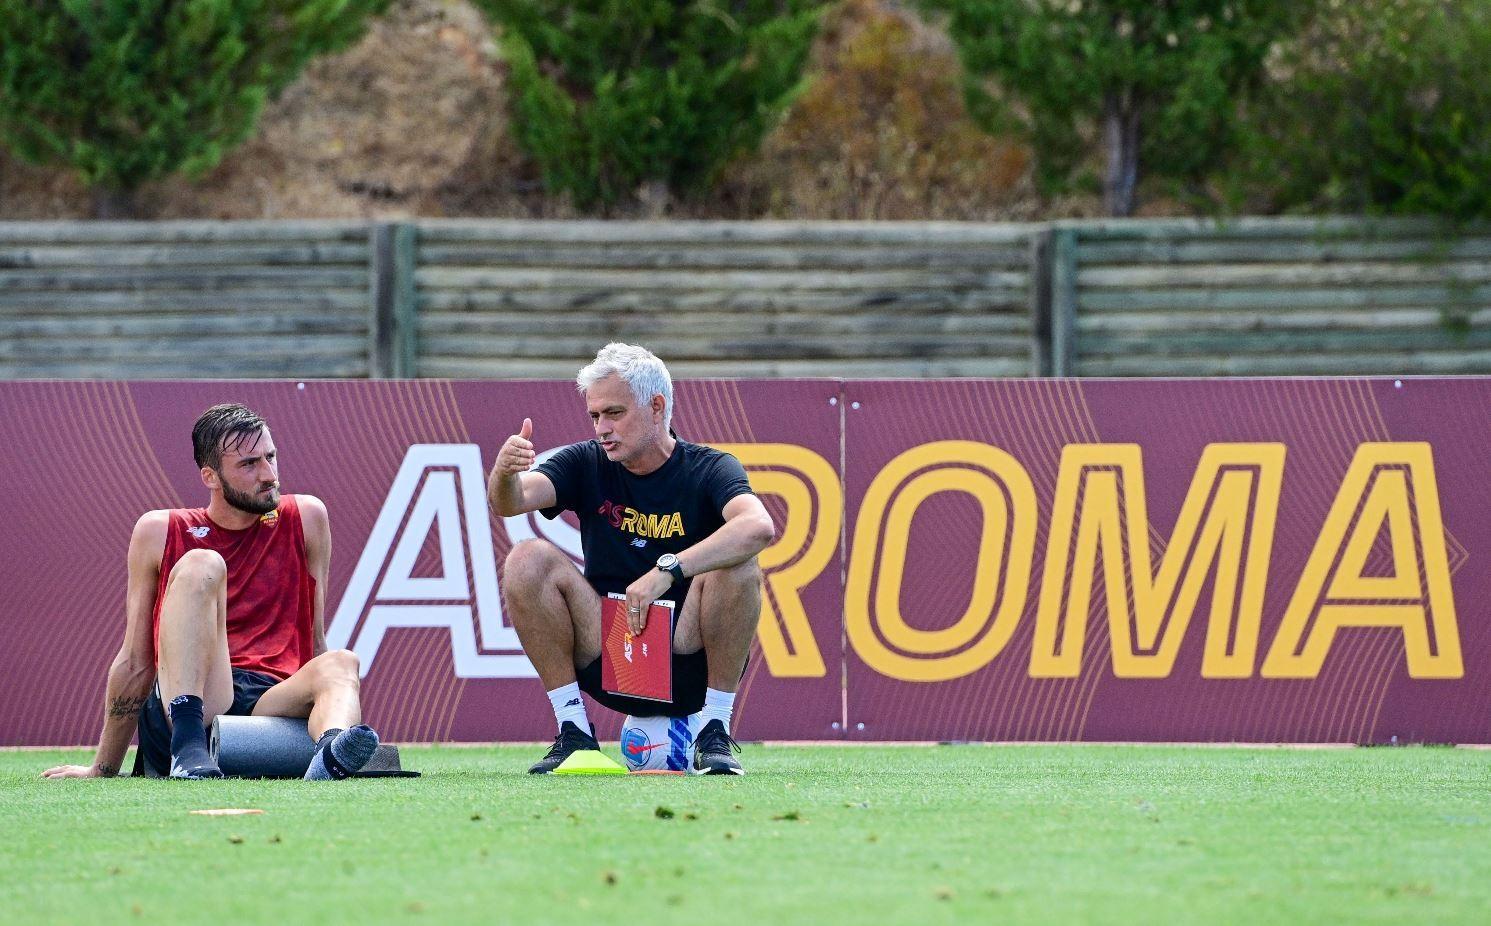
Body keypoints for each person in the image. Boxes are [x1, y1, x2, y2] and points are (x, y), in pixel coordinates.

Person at [43, 404, 379, 781]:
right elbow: (136, 660)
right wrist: (102, 768)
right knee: (203, 563)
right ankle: (187, 751)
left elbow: (314, 640)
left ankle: (330, 759)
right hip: (194, 699)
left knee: (341, 662)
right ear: (211, 476)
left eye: (271, 457)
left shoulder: (308, 517)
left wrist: (329, 699)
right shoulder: (159, 530)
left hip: (270, 704)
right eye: (249, 464)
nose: (269, 475)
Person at [489, 343, 775, 775]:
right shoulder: (585, 461)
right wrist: (504, 474)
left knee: (738, 559)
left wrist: (668, 570)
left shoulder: (710, 467)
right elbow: (511, 503)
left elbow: (759, 527)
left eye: (614, 413)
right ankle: (573, 733)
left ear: (656, 407)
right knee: (527, 558)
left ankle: (713, 731)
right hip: (612, 653)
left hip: (689, 659)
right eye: (595, 416)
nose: (602, 428)